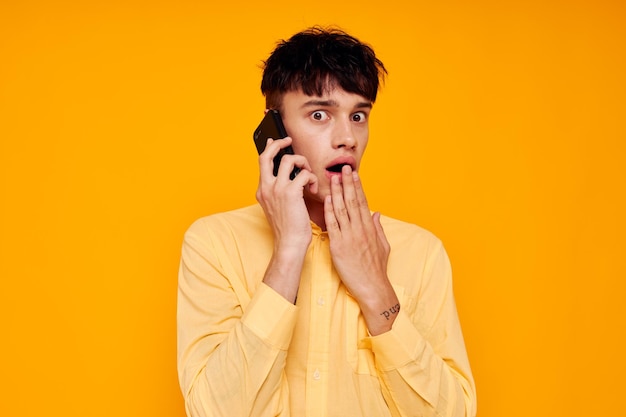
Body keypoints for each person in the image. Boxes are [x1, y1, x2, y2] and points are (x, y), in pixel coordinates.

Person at [177, 26, 476, 417]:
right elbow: (212, 411)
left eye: (358, 115)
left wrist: (377, 291)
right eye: (320, 114)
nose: (347, 137)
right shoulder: (213, 243)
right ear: (275, 130)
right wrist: (287, 252)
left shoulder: (421, 252)